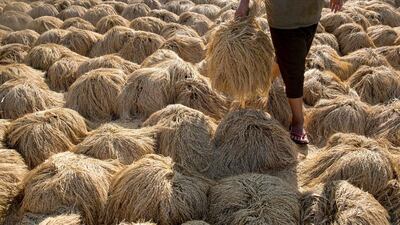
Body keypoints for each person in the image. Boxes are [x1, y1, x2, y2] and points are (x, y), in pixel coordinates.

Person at [235, 0, 343, 144]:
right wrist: (244, 3)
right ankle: (298, 121)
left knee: (286, 58)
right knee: (294, 69)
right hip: (283, 15)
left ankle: (262, 83)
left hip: (311, 13)